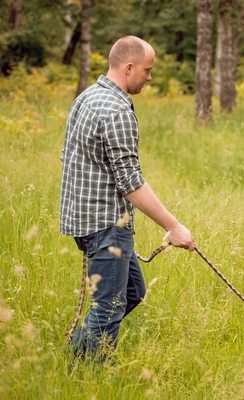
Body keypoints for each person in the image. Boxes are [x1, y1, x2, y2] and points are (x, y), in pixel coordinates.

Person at [59, 36, 195, 359]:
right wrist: (174, 227)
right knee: (108, 311)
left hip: (85, 222)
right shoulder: (118, 110)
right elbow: (131, 184)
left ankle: (72, 354)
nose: (149, 78)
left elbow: (67, 156)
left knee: (133, 291)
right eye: (147, 71)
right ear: (129, 67)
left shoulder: (86, 97)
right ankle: (86, 377)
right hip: (106, 226)